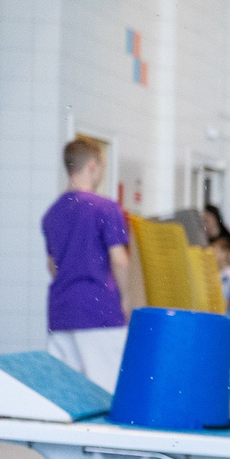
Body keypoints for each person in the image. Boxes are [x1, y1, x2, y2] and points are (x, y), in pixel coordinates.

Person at [43, 138, 144, 390]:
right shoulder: (106, 208)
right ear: (93, 166)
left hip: (62, 311)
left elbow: (53, 265)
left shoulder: (52, 213)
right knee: (107, 390)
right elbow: (119, 260)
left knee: (66, 392)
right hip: (99, 310)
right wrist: (127, 300)